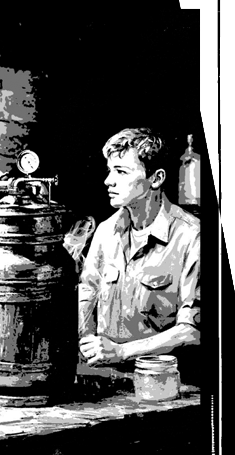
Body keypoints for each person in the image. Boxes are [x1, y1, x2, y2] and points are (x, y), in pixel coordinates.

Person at [78, 128, 200, 376]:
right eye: (110, 170)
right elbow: (86, 297)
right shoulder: (105, 232)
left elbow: (193, 332)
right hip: (103, 376)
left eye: (121, 171)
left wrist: (121, 351)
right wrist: (88, 346)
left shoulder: (191, 236)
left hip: (164, 381)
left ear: (156, 178)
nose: (108, 181)